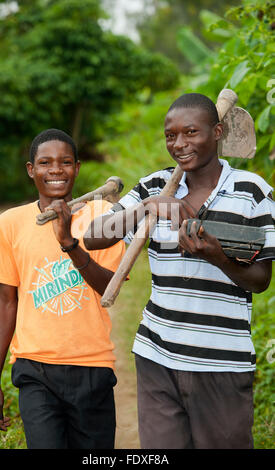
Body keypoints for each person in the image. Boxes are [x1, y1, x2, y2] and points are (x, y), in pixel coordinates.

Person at [84, 93, 275, 449]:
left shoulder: (253, 192)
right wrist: (147, 206)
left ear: (217, 132)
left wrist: (216, 256)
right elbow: (94, 237)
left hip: (223, 362)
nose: (179, 144)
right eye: (171, 135)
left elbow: (261, 280)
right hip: (157, 356)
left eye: (191, 133)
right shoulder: (155, 185)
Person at [0, 128, 126, 449]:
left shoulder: (101, 219)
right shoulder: (11, 223)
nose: (56, 170)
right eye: (45, 163)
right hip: (35, 370)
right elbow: (5, 303)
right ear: (32, 170)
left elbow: (109, 289)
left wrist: (70, 244)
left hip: (92, 366)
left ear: (78, 167)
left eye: (66, 162)